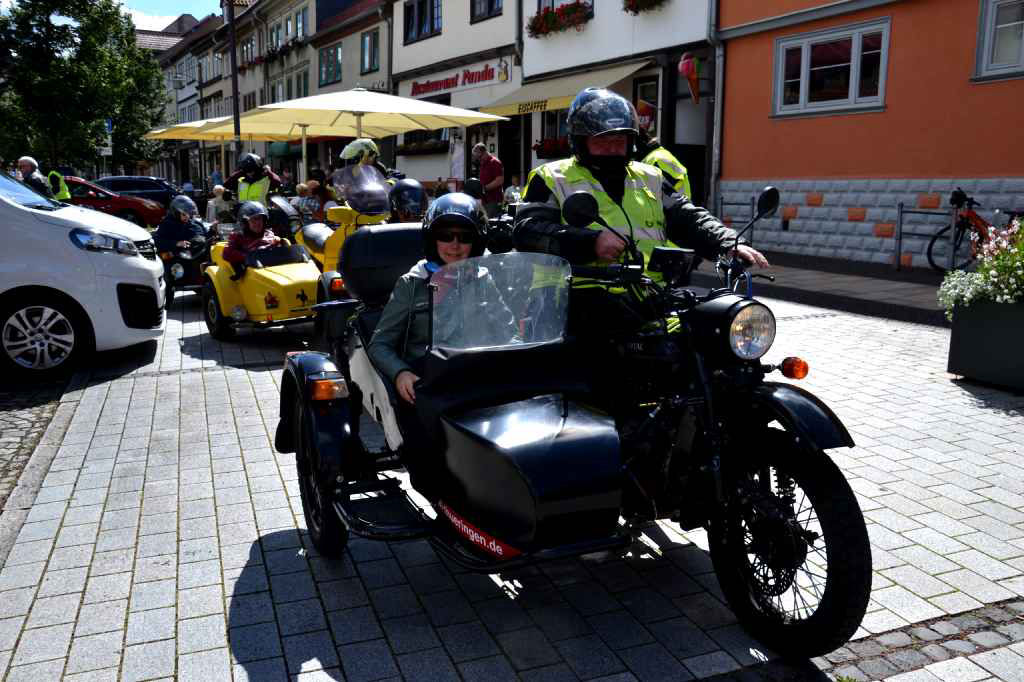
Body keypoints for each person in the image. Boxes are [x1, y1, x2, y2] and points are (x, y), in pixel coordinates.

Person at [514, 87, 768, 338]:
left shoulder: (650, 177)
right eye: (602, 142)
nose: (612, 149)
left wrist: (726, 242)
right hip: (569, 302)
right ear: (580, 141)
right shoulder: (552, 177)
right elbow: (528, 232)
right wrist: (590, 243)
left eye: (619, 142)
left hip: (646, 298)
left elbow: (686, 216)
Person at [635, 127, 691, 197]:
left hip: (675, 202)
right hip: (678, 201)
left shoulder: (656, 159)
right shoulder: (655, 156)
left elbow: (666, 191)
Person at [471, 143, 504, 218]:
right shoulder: (483, 163)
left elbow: (499, 180)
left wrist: (484, 188)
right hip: (485, 200)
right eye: (477, 158)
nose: (479, 159)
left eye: (479, 157)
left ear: (484, 152)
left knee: (490, 221)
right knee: (484, 221)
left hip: (493, 200)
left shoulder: (495, 162)